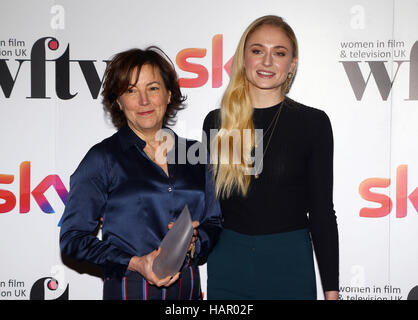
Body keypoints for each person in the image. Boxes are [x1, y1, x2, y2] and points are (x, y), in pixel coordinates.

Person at [60, 47, 222, 300]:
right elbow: (73, 238)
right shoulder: (102, 158)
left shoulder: (198, 154)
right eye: (131, 91)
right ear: (118, 101)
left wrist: (195, 241)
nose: (144, 101)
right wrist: (135, 262)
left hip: (188, 293)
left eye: (153, 88)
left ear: (169, 94)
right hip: (129, 290)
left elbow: (214, 221)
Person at [202, 15, 339, 300]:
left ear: (292, 65)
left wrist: (331, 291)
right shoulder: (216, 122)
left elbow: (322, 212)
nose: (267, 61)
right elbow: (208, 204)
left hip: (289, 260)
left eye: (279, 53)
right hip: (228, 261)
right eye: (257, 51)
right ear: (243, 58)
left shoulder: (312, 123)